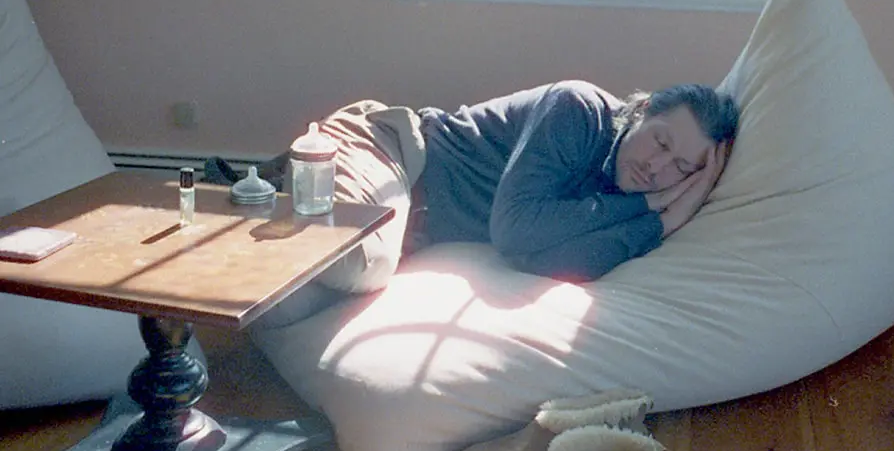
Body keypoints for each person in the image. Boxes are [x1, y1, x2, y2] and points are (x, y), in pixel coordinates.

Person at [214, 80, 738, 326]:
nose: (658, 168)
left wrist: (666, 224)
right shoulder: (578, 111)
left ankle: (250, 199)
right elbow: (513, 231)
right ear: (643, 111)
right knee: (361, 263)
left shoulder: (615, 194)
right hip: (395, 152)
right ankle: (265, 187)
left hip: (408, 233)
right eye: (662, 142)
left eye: (682, 171)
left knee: (276, 312)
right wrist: (651, 212)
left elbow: (544, 261)